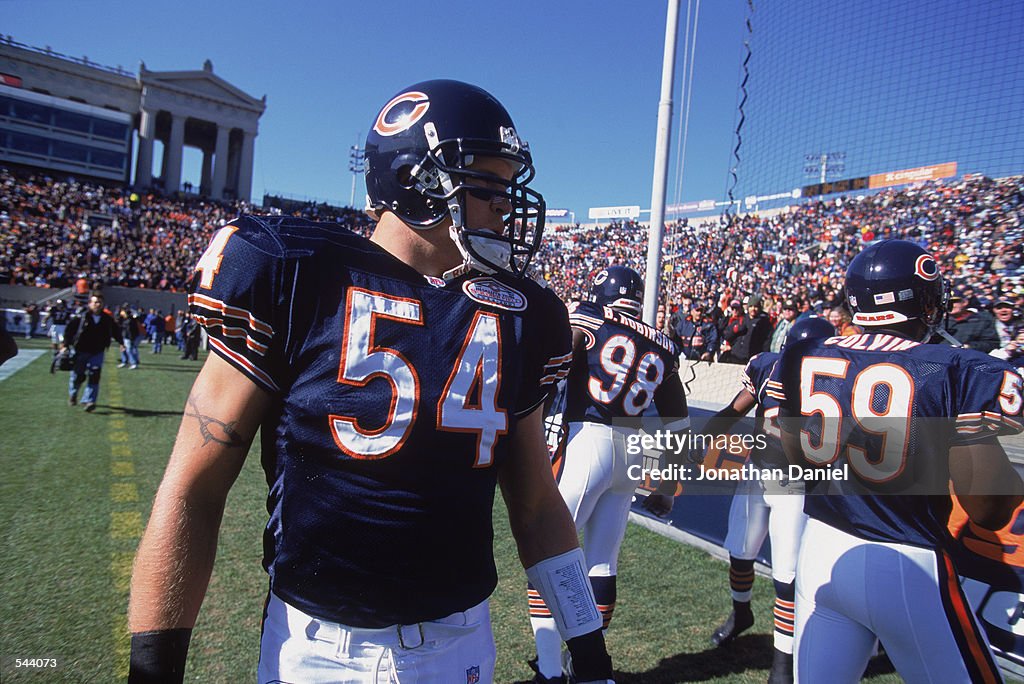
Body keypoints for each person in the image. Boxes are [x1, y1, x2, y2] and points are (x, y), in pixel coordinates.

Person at [128, 79, 614, 684]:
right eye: (487, 183)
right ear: (418, 180)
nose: (506, 205)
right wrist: (153, 668)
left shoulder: (523, 314)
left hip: (462, 645)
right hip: (316, 650)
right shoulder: (298, 271)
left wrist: (590, 654)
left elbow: (538, 505)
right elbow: (191, 490)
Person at [775, 239, 1024, 683]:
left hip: (820, 550)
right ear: (921, 300)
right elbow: (989, 509)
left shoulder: (804, 354)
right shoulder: (957, 368)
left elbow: (793, 455)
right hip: (907, 561)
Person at [528, 266, 688, 684]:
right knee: (603, 561)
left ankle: (549, 669)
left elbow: (564, 356)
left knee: (549, 555)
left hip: (590, 437)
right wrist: (668, 486)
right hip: (631, 447)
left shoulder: (590, 318)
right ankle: (586, 665)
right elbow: (677, 422)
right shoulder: (662, 343)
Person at [706, 315, 835, 684]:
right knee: (740, 552)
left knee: (786, 577)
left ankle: (783, 661)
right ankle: (741, 612)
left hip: (798, 484)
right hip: (758, 472)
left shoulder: (836, 382)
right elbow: (736, 408)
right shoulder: (766, 368)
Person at [62, 292, 125, 412]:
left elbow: (115, 331)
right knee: (78, 376)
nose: (97, 305)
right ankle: (73, 394)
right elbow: (69, 330)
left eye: (100, 302)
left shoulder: (107, 319)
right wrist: (65, 345)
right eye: (95, 302)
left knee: (94, 376)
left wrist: (121, 342)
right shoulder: (81, 317)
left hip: (97, 351)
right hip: (81, 350)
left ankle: (89, 400)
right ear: (90, 303)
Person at [941, 288, 1000, 353]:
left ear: (965, 302)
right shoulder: (938, 322)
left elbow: (992, 343)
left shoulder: (981, 321)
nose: (950, 305)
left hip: (967, 358)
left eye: (954, 302)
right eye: (947, 302)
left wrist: (969, 347)